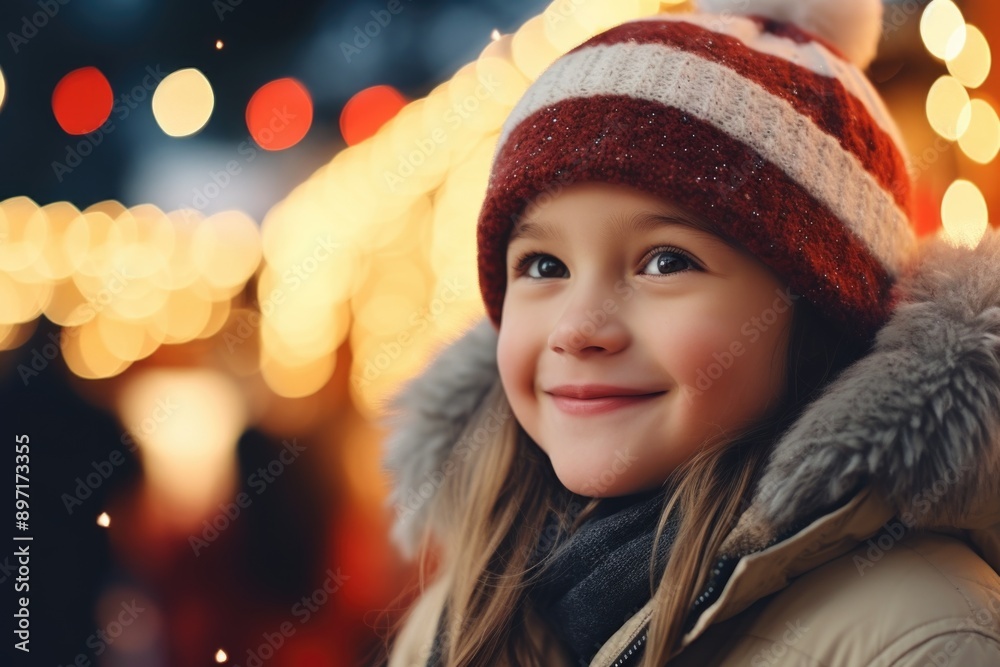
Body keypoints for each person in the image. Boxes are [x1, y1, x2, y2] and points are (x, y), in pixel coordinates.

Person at [379, 0, 1000, 664]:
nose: (578, 329)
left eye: (667, 261)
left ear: (823, 312)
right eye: (543, 265)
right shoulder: (461, 613)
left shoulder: (925, 636)